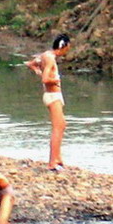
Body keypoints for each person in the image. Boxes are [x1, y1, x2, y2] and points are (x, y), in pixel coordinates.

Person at [25, 33, 71, 171]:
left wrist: (38, 71)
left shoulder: (45, 55)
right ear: (64, 46)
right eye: (68, 47)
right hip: (53, 96)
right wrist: (54, 80)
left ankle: (58, 158)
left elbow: (30, 64)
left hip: (52, 95)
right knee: (58, 128)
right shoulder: (50, 59)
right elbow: (45, 79)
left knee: (62, 125)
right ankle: (52, 162)